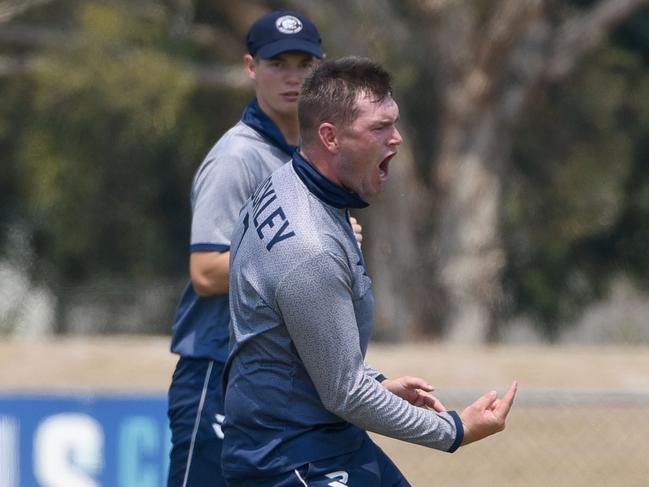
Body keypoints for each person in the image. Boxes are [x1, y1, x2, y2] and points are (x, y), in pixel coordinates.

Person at [222, 56, 518, 486]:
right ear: (330, 137)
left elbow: (298, 337)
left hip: (324, 434)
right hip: (287, 458)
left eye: (394, 123)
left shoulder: (287, 181)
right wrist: (454, 430)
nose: (396, 139)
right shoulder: (311, 249)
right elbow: (345, 393)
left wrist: (374, 381)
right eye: (379, 128)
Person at [166, 10, 364, 487]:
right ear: (251, 67)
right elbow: (206, 271)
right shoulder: (238, 158)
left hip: (280, 383)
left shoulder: (310, 161)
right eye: (279, 63)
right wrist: (302, 256)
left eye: (305, 63)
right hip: (217, 372)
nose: (293, 76)